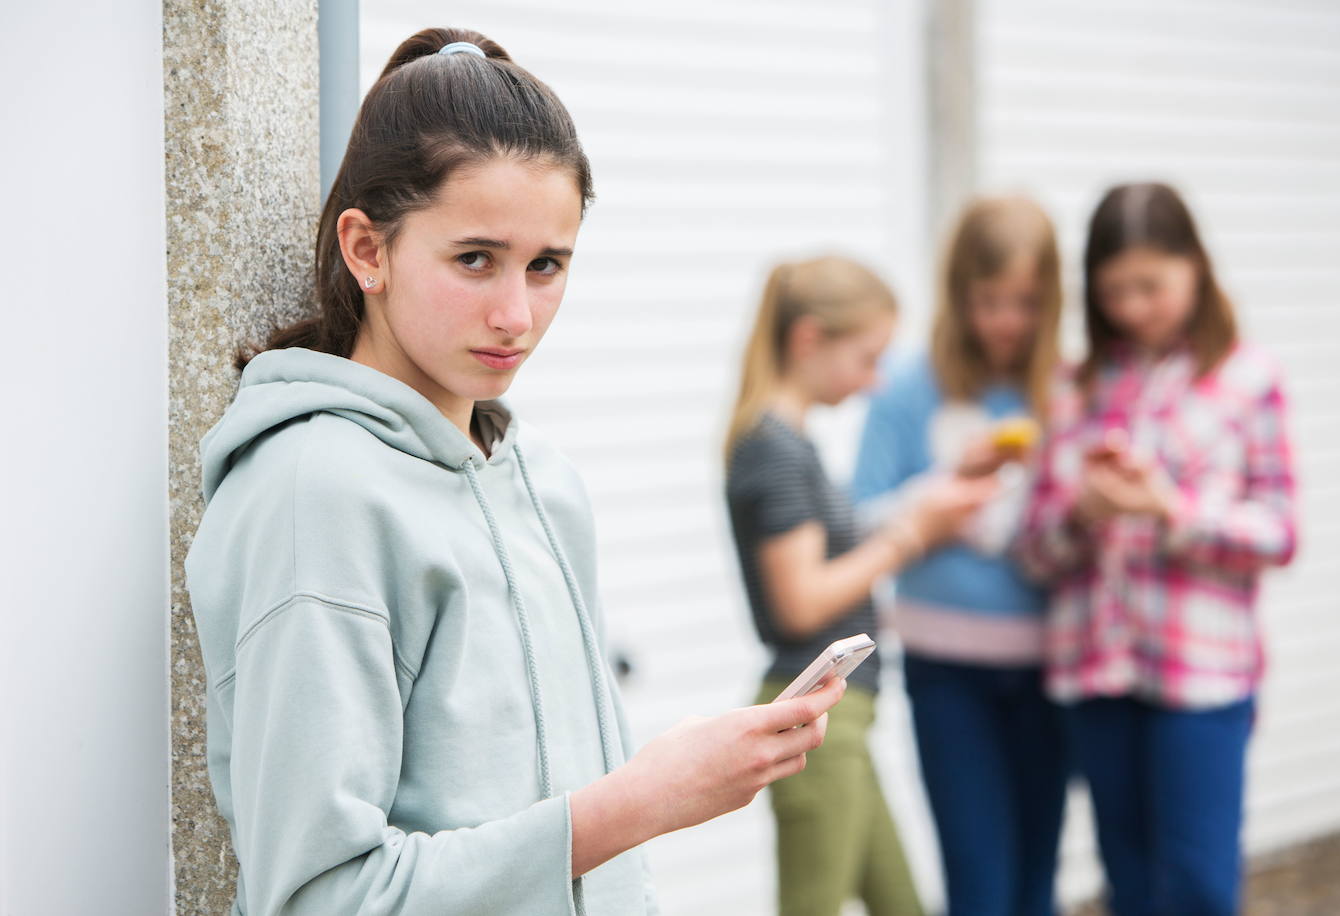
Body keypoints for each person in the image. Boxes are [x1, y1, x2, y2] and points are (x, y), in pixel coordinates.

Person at [186, 28, 846, 916]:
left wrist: (655, 785)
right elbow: (322, 898)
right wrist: (642, 799)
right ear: (367, 250)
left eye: (547, 266)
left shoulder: (540, 479)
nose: (515, 315)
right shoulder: (314, 496)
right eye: (474, 259)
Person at [1017, 182, 1299, 916]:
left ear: (1195, 269)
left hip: (1203, 674)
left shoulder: (1246, 377)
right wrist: (1083, 510)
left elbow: (1279, 532)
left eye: (1152, 285)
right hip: (1096, 669)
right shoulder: (1072, 389)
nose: (1136, 306)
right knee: (1131, 882)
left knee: (1200, 884)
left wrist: (1171, 508)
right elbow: (1035, 553)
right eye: (1116, 290)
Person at [724, 255, 996, 916]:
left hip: (842, 719)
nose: (875, 382)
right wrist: (911, 536)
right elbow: (801, 603)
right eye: (867, 358)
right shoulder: (775, 448)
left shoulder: (791, 443)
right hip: (818, 719)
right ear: (808, 339)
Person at [851, 196, 1070, 916]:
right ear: (958, 294)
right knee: (980, 884)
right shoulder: (909, 390)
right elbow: (862, 520)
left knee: (1035, 881)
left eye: (1025, 303)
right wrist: (945, 494)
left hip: (1047, 666)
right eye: (989, 300)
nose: (1006, 320)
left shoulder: (1063, 392)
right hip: (948, 673)